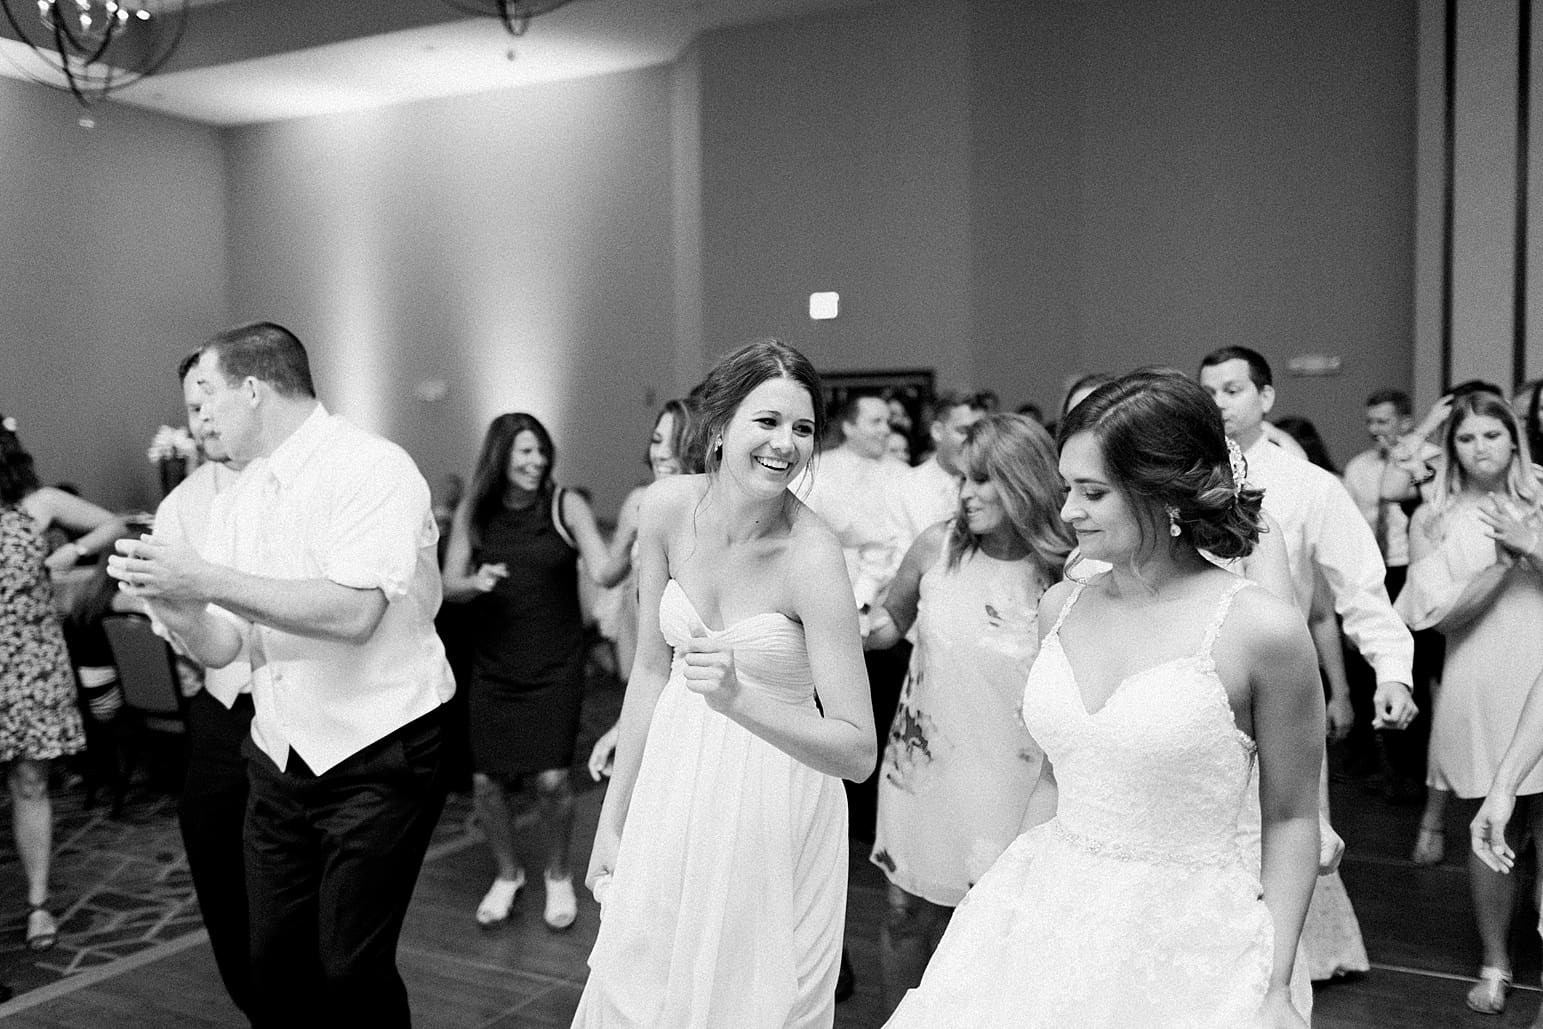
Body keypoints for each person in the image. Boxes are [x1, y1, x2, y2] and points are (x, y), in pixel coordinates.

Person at [884, 371, 1323, 1028]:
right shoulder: (1060, 606)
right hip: (1051, 908)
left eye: (1092, 492)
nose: (1067, 512)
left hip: (1186, 935)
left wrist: (1276, 982)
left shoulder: (1260, 630)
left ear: (1163, 491)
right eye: (1067, 490)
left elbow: (1290, 817)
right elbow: (1053, 780)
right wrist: (1005, 909)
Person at [107, 322, 455, 1028]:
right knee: (272, 957)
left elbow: (353, 614)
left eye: (209, 394)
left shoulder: (372, 467)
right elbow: (224, 647)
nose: (199, 416)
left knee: (349, 965)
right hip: (277, 754)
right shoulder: (242, 496)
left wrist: (203, 574)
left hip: (379, 748)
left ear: (255, 390)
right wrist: (176, 603)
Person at [574, 338, 875, 1028]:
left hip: (773, 796)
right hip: (674, 776)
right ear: (718, 427)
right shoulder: (665, 508)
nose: (785, 444)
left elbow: (858, 750)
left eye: (802, 428)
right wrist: (613, 821)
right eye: (766, 422)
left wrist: (741, 700)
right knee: (641, 979)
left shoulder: (812, 554)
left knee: (743, 995)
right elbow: (651, 666)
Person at [865, 413, 1072, 1012]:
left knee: (1002, 924)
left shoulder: (1062, 567)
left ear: (1024, 482)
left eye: (984, 481)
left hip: (1021, 777)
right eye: (962, 479)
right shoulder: (937, 545)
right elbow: (888, 624)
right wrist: (844, 624)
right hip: (923, 769)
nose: (966, 495)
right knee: (906, 913)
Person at [442, 412, 631, 931]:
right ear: (500, 455)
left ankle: (557, 873)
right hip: (494, 666)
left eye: (541, 451)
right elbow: (447, 583)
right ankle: (507, 874)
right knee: (485, 782)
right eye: (525, 451)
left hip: (555, 664)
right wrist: (475, 582)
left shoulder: (564, 503)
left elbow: (604, 569)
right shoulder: (474, 512)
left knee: (551, 779)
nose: (537, 461)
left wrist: (637, 529)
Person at [1394, 387, 1543, 1016]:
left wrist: (1530, 543)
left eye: (1492, 434)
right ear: (1450, 447)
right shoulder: (1432, 518)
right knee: (1492, 823)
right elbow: (1434, 616)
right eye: (1466, 437)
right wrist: (1501, 567)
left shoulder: (1541, 499)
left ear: (1514, 437)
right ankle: (1496, 960)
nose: (1480, 447)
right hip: (1479, 677)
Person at [144, 349, 251, 1017]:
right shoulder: (182, 505)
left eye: (212, 397)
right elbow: (186, 636)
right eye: (192, 407)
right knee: (212, 842)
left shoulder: (310, 482)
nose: (204, 416)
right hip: (223, 709)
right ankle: (256, 999)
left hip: (312, 709)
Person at [0, 414, 122, 952]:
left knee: (30, 783)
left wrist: (71, 552)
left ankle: (38, 904)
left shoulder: (39, 505)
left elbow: (111, 524)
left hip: (28, 665)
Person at [587, 398, 698, 782]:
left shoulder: (704, 505)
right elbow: (608, 572)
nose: (661, 453)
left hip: (686, 637)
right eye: (656, 440)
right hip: (642, 622)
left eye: (675, 441)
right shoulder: (639, 499)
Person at [887, 390, 989, 548]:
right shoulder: (903, 487)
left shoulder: (996, 487)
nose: (974, 441)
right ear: (937, 431)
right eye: (964, 431)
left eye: (981, 432)